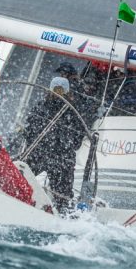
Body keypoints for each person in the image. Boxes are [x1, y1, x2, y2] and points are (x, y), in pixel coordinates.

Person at [16, 76, 85, 211]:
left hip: (42, 154)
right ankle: (62, 211)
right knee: (62, 198)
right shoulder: (74, 112)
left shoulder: (40, 107)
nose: (58, 94)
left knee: (20, 181)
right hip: (60, 158)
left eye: (60, 90)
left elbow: (29, 132)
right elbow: (77, 142)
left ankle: (18, 201)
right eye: (57, 90)